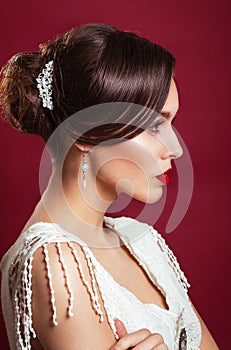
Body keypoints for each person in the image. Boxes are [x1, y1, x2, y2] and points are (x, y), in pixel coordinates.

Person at [0, 23, 219, 350]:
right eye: (154, 125)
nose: (174, 149)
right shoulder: (54, 261)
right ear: (86, 132)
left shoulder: (140, 242)